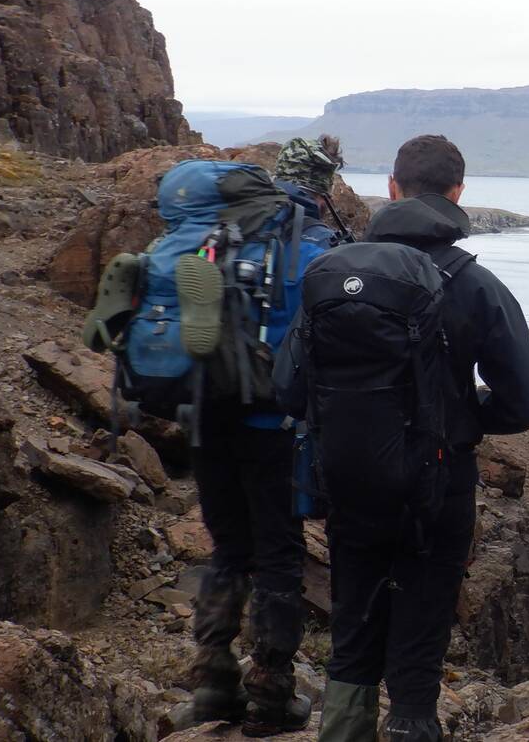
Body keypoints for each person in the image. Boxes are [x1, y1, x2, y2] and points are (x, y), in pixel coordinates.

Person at [275, 134, 529, 742]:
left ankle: (343, 731)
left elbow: (288, 390)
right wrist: (465, 418)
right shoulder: (476, 286)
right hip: (438, 485)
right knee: (422, 618)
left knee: (353, 621)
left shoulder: (330, 275)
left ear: (392, 189)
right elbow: (522, 403)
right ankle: (413, 725)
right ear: (458, 194)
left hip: (347, 479)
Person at [187, 137, 344, 737]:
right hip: (272, 426)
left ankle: (210, 683)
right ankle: (271, 695)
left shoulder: (215, 233)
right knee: (279, 555)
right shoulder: (317, 246)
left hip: (205, 417)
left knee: (228, 550)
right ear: (322, 185)